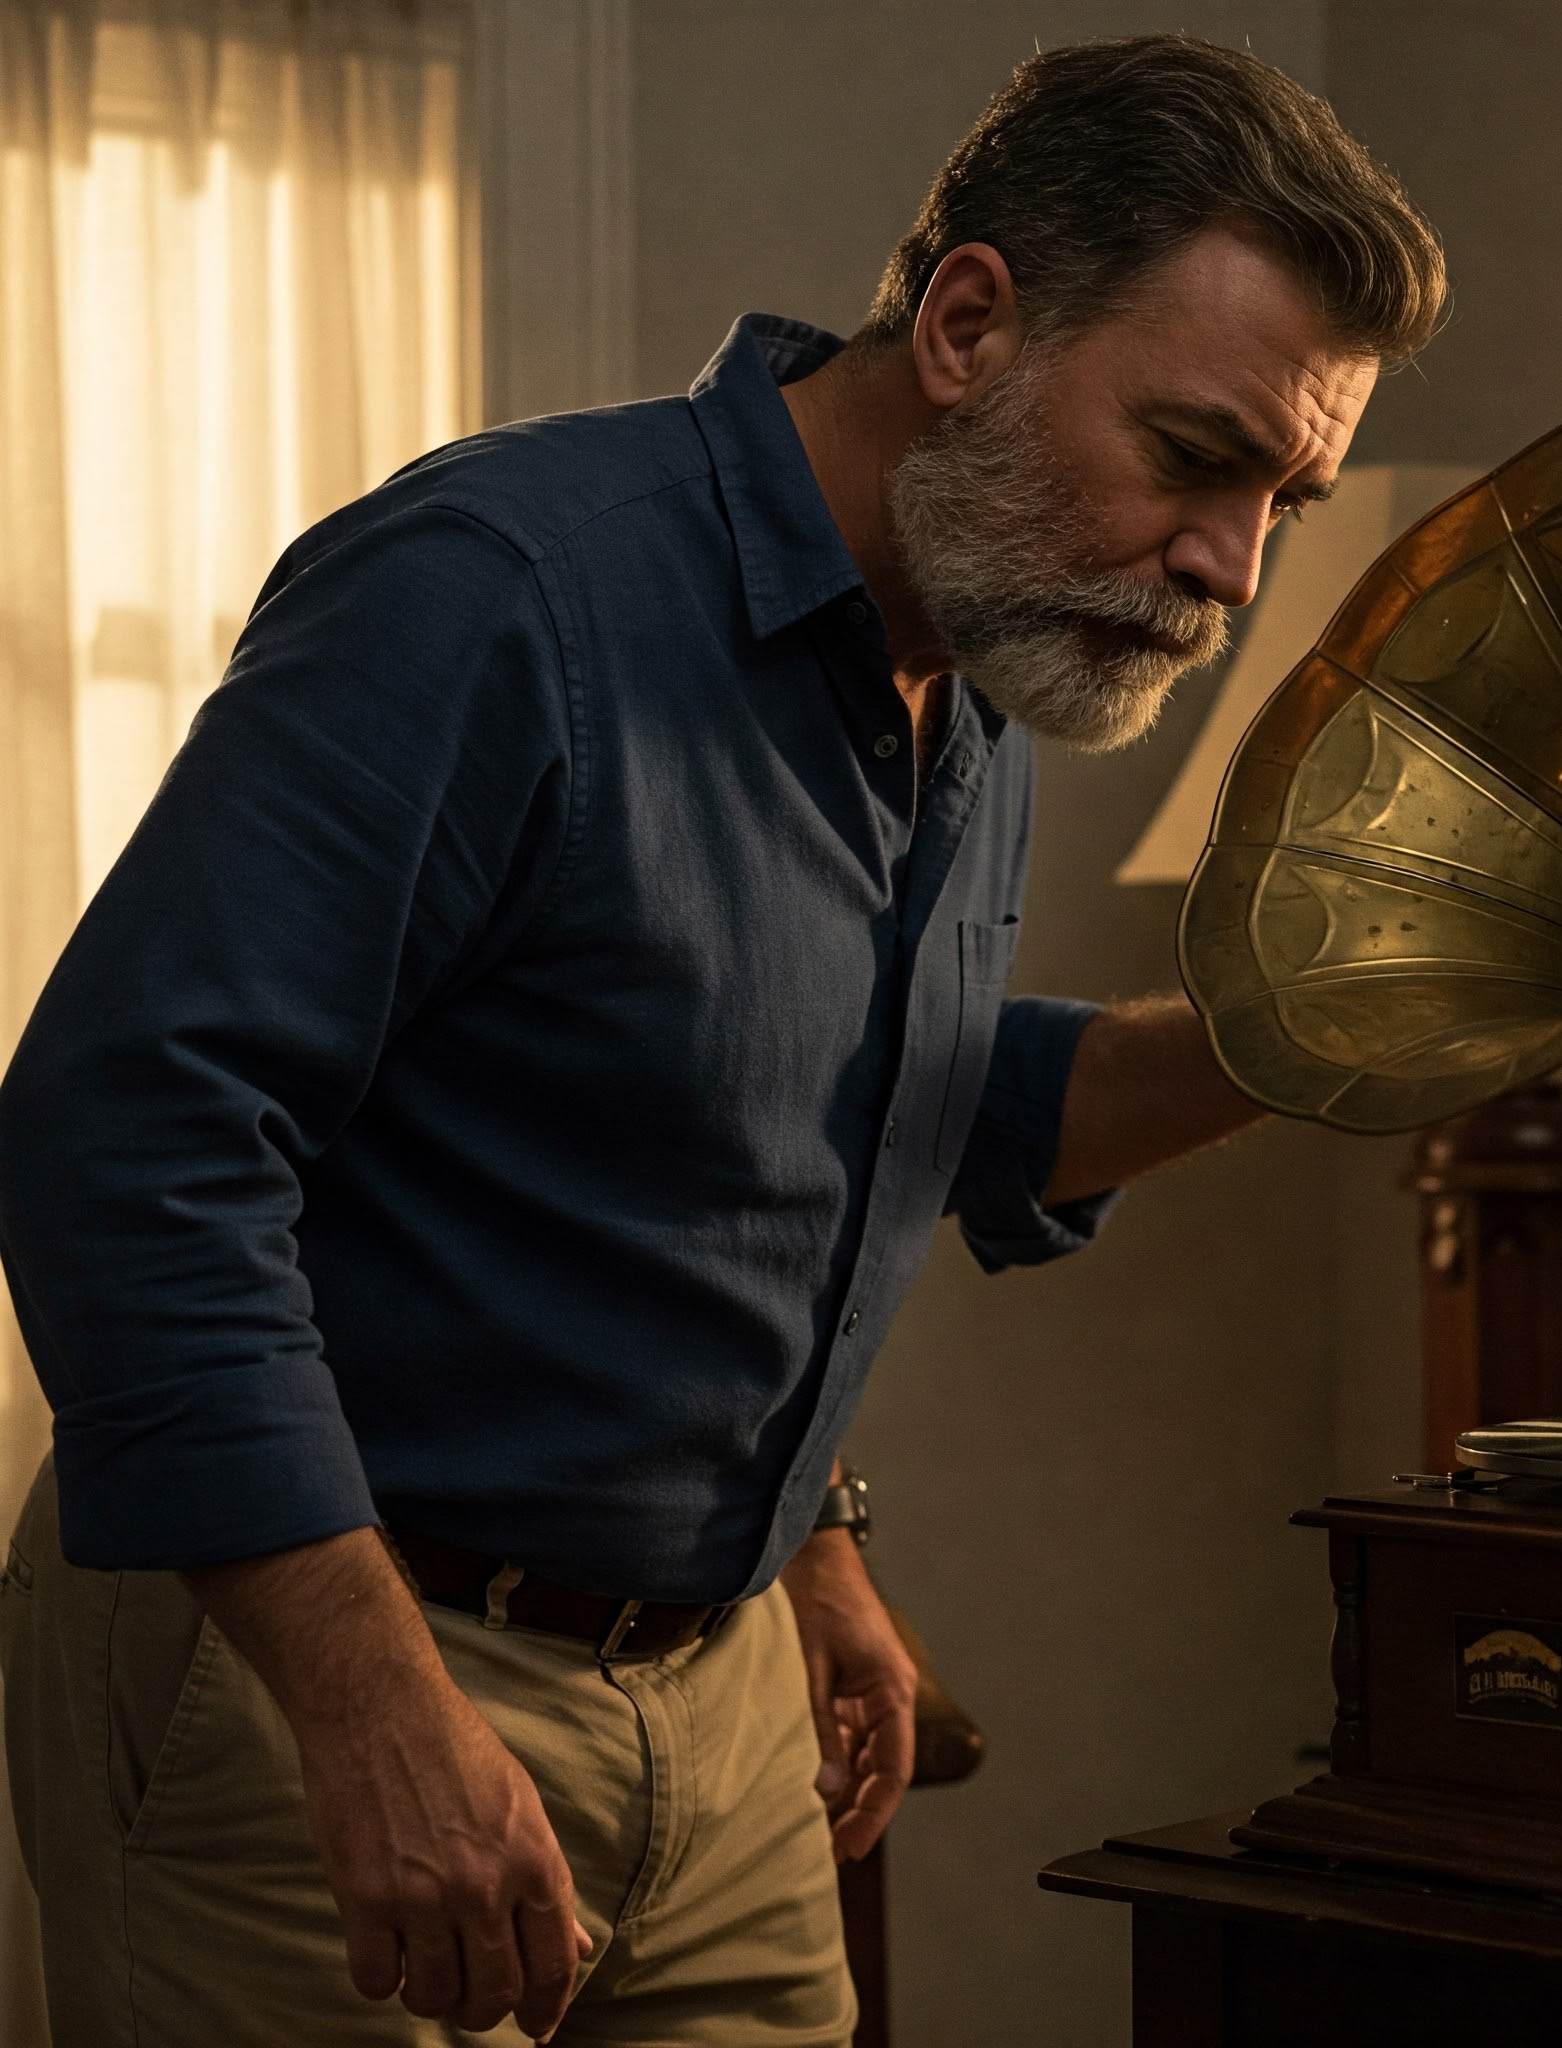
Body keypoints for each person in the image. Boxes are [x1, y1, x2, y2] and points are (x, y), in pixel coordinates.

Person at [0, 32, 1443, 2048]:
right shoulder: (494, 591)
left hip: (727, 1700)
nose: (1234, 561)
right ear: (964, 322)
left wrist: (811, 1538)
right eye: (1196, 455)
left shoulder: (981, 659)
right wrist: (371, 1709)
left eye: (1280, 495)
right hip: (322, 1663)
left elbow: (882, 1118)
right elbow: (125, 1134)